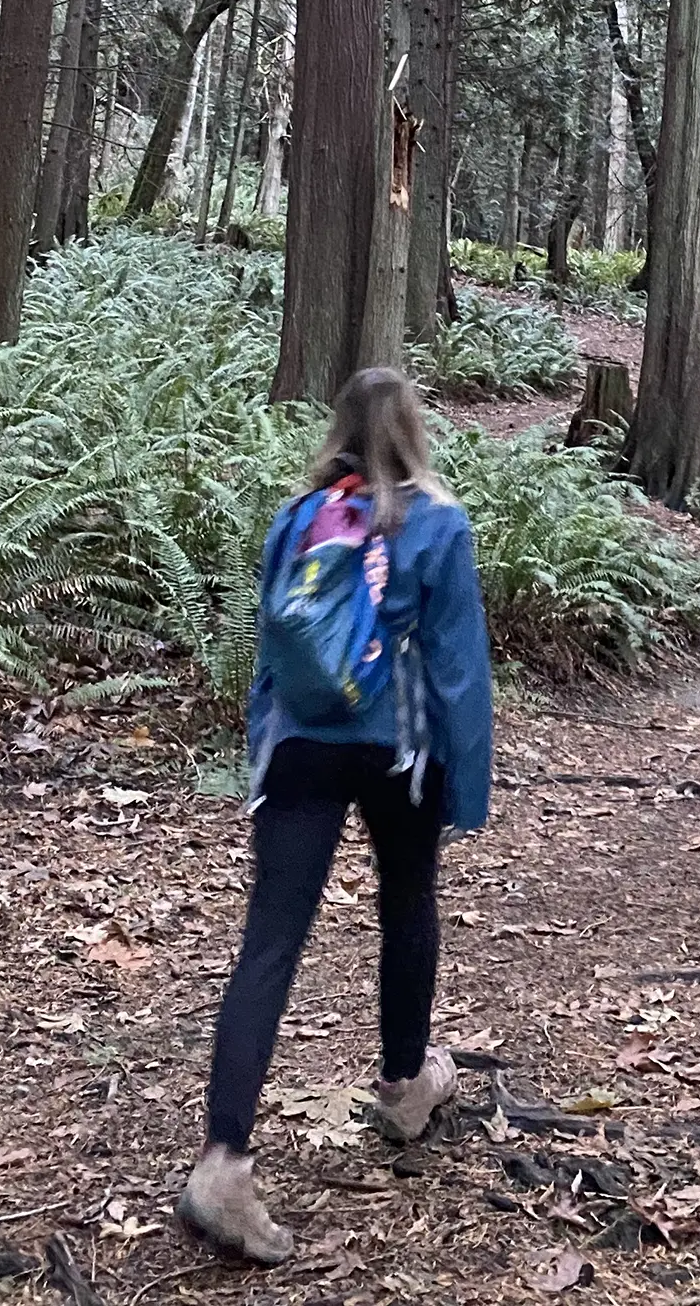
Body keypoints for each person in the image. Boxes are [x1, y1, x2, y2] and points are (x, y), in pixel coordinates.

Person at [179, 367, 493, 1265]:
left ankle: (223, 1159)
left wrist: (261, 751)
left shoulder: (296, 518)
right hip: (399, 748)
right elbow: (459, 670)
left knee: (269, 944)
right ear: (414, 429)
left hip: (302, 747)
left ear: (338, 430)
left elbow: (271, 650)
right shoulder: (438, 523)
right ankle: (403, 1087)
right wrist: (465, 785)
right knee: (406, 904)